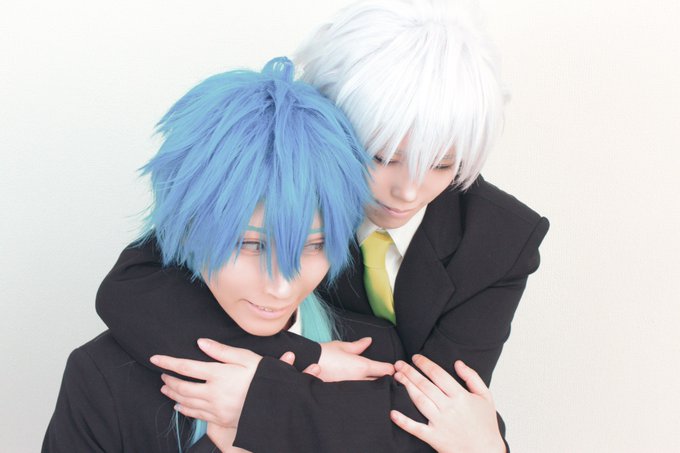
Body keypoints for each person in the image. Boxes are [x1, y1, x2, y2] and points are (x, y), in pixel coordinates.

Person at [96, 0, 549, 451]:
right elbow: (132, 289)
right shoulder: (292, 184)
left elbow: (437, 420)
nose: (409, 192)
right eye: (382, 157)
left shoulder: (502, 240)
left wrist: (261, 397)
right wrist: (306, 357)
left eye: (443, 164)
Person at [43, 57, 405, 452]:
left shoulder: (374, 353)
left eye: (314, 246)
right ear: (189, 227)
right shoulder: (103, 377)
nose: (281, 286)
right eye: (250, 245)